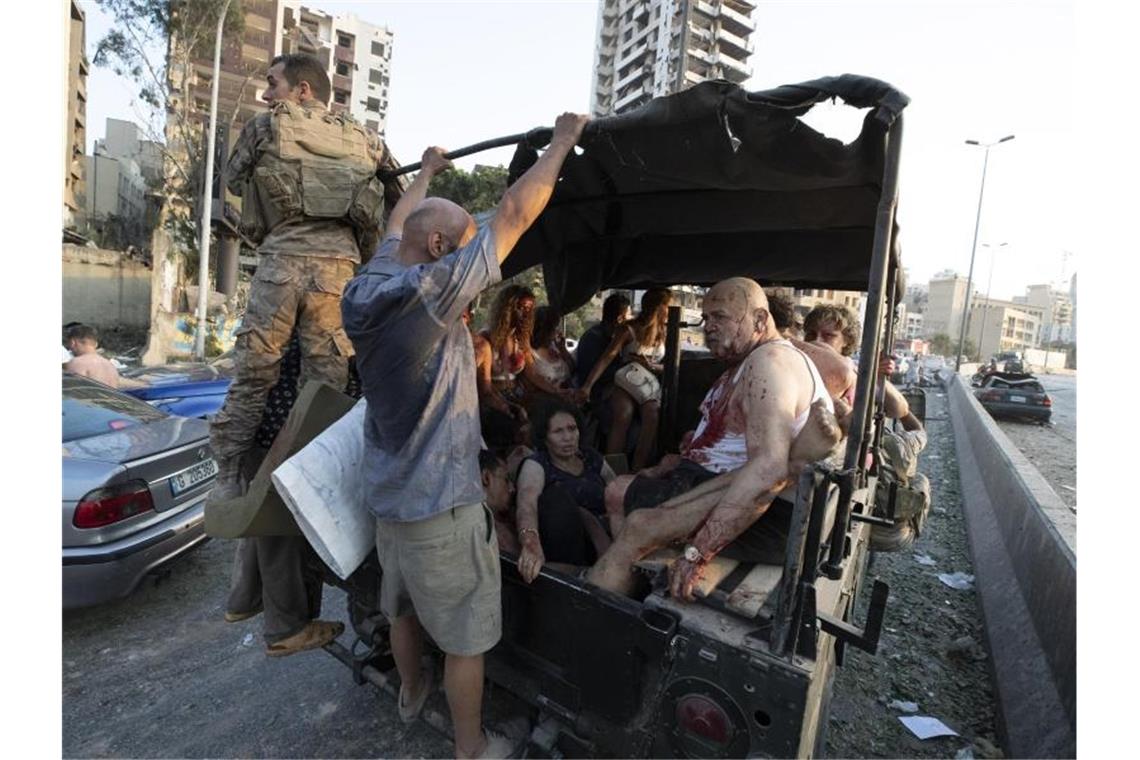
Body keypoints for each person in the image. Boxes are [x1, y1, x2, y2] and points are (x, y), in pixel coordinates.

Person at [341, 111, 589, 759]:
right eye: (459, 240)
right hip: (440, 508)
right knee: (465, 640)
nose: (470, 246)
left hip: (389, 501)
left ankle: (410, 692)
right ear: (439, 251)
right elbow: (511, 214)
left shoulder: (370, 282)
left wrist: (424, 173)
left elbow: (399, 222)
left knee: (401, 608)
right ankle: (471, 748)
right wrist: (563, 140)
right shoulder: (428, 290)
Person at [207, 52, 399, 505]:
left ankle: (230, 475)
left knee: (255, 371)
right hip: (338, 273)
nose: (266, 93)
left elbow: (233, 180)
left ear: (303, 90)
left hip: (282, 264)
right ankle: (315, 478)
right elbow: (397, 196)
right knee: (324, 385)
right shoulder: (368, 140)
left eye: (273, 83)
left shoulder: (265, 126)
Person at [587, 278, 841, 599]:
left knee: (630, 513)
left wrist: (698, 553)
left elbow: (768, 472)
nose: (709, 327)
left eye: (720, 317)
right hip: (724, 482)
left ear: (760, 320)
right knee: (634, 513)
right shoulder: (753, 360)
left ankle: (605, 603)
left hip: (768, 513)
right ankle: (627, 581)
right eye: (706, 319)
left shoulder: (770, 364)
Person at [515, 402, 615, 581]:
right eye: (558, 431)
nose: (568, 437)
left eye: (572, 428)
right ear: (545, 437)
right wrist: (530, 542)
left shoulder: (591, 457)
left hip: (610, 539)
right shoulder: (537, 464)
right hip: (570, 549)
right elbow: (526, 504)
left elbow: (617, 493)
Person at [577, 287, 672, 471]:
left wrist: (650, 366)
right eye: (667, 306)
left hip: (649, 382)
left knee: (652, 414)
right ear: (658, 307)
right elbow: (607, 357)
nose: (669, 310)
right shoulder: (628, 329)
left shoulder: (664, 333)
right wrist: (588, 386)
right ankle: (613, 470)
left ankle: (638, 469)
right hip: (626, 380)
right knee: (623, 413)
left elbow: (667, 366)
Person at [572, 292, 632, 397]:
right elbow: (590, 372)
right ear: (620, 319)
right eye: (629, 315)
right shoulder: (593, 339)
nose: (632, 319)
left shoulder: (611, 337)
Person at [63, 324, 131, 388]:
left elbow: (74, 392)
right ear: (96, 344)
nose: (70, 348)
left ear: (73, 342)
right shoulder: (110, 365)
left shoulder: (76, 363)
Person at [529, 306, 575, 391]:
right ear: (545, 330)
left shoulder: (555, 346)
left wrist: (563, 350)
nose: (558, 331)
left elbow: (573, 369)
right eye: (555, 328)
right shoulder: (530, 353)